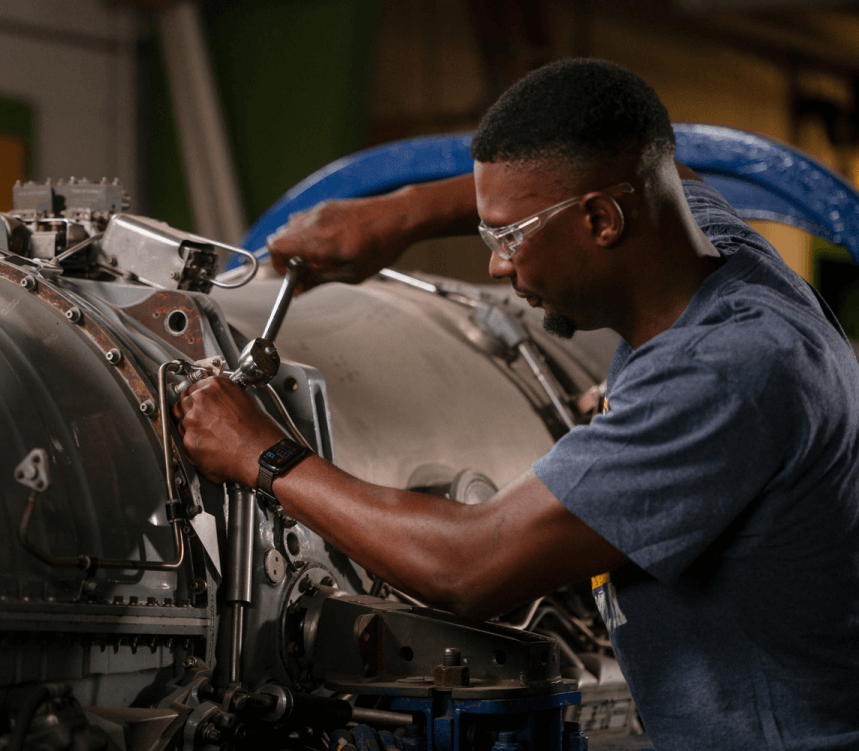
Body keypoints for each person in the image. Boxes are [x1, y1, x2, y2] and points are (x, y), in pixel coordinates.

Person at [173, 59, 859, 750]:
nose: (497, 265)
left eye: (508, 236)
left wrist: (262, 453)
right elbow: (675, 177)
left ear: (601, 218)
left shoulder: (726, 370)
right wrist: (398, 215)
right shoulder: (711, 246)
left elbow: (468, 567)